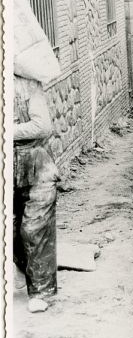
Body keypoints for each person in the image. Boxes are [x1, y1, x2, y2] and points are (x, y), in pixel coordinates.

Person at [13, 75, 59, 313]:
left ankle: (40, 290)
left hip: (37, 164)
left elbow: (42, 126)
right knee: (12, 229)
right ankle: (23, 266)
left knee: (34, 227)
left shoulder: (29, 85)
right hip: (8, 168)